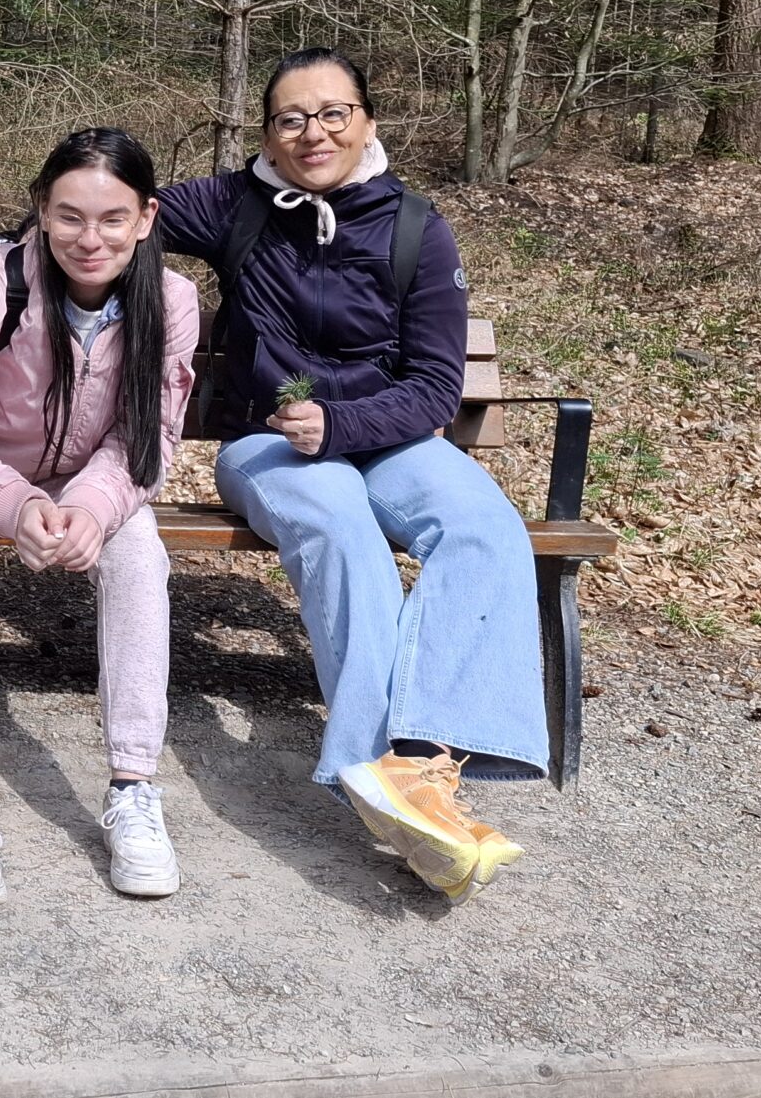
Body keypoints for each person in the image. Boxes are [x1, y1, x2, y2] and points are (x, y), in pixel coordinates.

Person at [157, 48, 543, 902]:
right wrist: (26, 239)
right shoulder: (233, 204)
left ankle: (419, 768)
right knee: (337, 519)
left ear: (367, 121)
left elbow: (436, 386)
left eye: (334, 112)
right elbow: (118, 204)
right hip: (267, 444)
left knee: (483, 523)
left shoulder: (415, 227)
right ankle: (392, 767)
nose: (314, 132)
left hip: (391, 441)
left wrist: (343, 423)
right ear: (268, 134)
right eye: (292, 118)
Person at [0, 129, 200, 910]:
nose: (89, 239)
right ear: (40, 209)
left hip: (87, 477)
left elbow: (147, 440)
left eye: (112, 218)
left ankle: (134, 785)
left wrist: (90, 506)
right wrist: (18, 503)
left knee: (138, 547)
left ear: (146, 218)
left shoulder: (170, 301)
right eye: (69, 217)